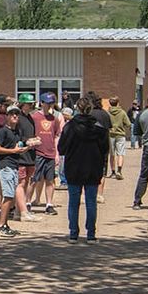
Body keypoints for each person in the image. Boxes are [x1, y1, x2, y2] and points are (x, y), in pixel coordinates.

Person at [57, 97, 109, 242]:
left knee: (74, 202)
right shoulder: (99, 128)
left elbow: (61, 148)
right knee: (91, 202)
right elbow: (105, 149)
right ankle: (91, 234)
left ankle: (73, 233)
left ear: (77, 108)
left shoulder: (70, 127)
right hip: (93, 167)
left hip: (74, 167)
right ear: (90, 109)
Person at [0, 106, 31, 238]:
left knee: (11, 196)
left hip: (14, 166)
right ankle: (1, 226)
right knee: (8, 196)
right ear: (7, 116)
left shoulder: (17, 132)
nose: (15, 116)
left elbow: (18, 147)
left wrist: (27, 147)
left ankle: (5, 225)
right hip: (5, 166)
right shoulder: (3, 131)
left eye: (17, 114)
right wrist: (13, 151)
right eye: (12, 114)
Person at [29, 93, 62, 215]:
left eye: (51, 103)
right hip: (38, 152)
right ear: (41, 103)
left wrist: (57, 153)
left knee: (50, 180)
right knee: (34, 179)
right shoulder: (34, 117)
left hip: (50, 152)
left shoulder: (54, 119)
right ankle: (27, 202)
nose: (49, 106)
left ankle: (49, 204)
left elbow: (56, 136)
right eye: (47, 103)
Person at [14, 93, 39, 221]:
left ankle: (18, 211)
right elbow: (17, 135)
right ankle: (23, 212)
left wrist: (35, 139)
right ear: (22, 104)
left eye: (32, 104)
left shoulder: (30, 118)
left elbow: (30, 133)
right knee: (21, 182)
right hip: (21, 154)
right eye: (28, 104)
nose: (31, 106)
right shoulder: (18, 118)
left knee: (27, 182)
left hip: (30, 154)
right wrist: (26, 141)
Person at [89, 92, 113, 203]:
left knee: (89, 169)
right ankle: (99, 194)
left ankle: (89, 193)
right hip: (103, 145)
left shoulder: (89, 114)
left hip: (90, 145)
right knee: (102, 171)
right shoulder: (105, 114)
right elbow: (109, 128)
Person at [107, 96, 131, 180]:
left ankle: (113, 172)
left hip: (110, 134)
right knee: (120, 153)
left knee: (112, 154)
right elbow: (128, 124)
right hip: (120, 135)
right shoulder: (122, 112)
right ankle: (119, 171)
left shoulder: (108, 113)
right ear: (118, 103)